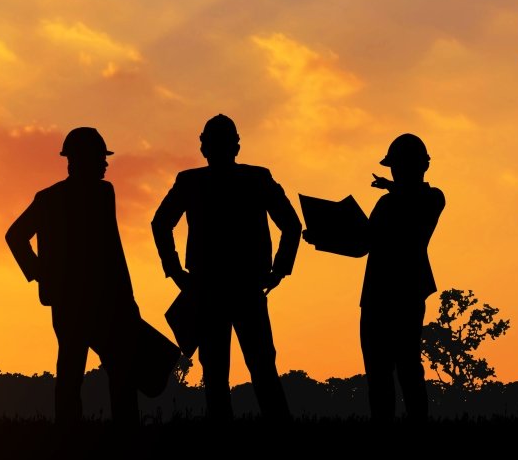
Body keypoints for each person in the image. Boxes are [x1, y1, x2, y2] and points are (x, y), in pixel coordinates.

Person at [151, 114, 302, 421]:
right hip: (241, 286)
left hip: (211, 288)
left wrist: (176, 271)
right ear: (237, 146)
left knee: (219, 372)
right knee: (259, 367)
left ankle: (225, 439)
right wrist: (278, 270)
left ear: (204, 148)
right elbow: (291, 224)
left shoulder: (192, 182)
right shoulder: (257, 179)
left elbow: (161, 223)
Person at [304, 133, 444, 422]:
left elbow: (415, 202)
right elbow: (361, 245)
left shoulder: (431, 198)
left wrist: (392, 188)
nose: (396, 172)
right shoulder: (387, 203)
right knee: (379, 372)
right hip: (378, 296)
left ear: (421, 167)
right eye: (395, 167)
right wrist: (324, 237)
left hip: (403, 295)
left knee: (407, 368)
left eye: (401, 166)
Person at [5, 127, 141, 425]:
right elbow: (15, 235)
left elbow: (16, 236)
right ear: (82, 160)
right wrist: (42, 274)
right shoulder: (92, 195)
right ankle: (118, 432)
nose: (106, 165)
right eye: (100, 158)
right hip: (98, 300)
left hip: (82, 299)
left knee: (77, 369)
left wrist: (42, 275)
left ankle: (73, 434)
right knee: (101, 369)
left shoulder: (56, 198)